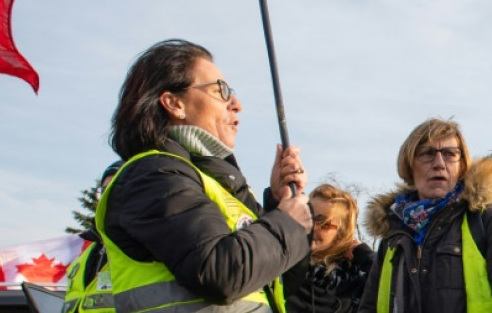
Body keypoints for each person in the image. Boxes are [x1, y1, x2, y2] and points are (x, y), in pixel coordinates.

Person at [95, 39, 312, 313]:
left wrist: (278, 204)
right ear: (174, 104)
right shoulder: (153, 175)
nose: (237, 104)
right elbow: (219, 275)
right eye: (221, 90)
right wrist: (286, 222)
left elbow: (281, 281)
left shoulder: (211, 182)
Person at [358, 118, 492, 313]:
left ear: (462, 166)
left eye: (450, 154)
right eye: (427, 153)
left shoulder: (488, 220)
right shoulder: (393, 233)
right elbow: (369, 308)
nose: (439, 163)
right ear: (409, 165)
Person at [285, 184, 373, 313]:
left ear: (341, 233)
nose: (312, 227)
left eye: (323, 222)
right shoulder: (285, 269)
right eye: (307, 218)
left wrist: (364, 255)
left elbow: (398, 284)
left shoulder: (357, 284)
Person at [64, 160, 124, 313]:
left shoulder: (146, 247)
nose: (107, 197)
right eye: (103, 190)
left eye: (114, 188)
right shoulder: (82, 259)